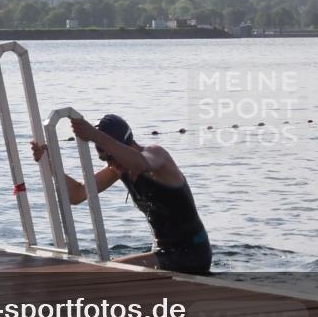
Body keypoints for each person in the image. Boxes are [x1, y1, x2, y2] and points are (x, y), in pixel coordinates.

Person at [31, 113, 211, 275]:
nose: (112, 165)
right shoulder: (118, 168)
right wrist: (49, 162)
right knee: (101, 272)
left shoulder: (157, 155)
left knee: (104, 273)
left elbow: (141, 163)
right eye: (105, 160)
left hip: (193, 253)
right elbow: (77, 194)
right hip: (162, 251)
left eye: (112, 157)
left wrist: (94, 135)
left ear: (126, 146)